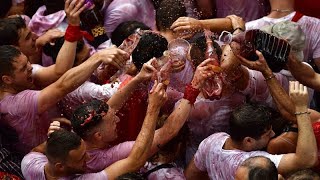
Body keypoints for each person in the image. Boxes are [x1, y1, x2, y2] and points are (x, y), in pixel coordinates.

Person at [21, 79, 168, 180]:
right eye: (81, 158)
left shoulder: (29, 163)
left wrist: (53, 140)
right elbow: (135, 161)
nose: (88, 158)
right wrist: (154, 108)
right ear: (60, 167)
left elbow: (104, 114)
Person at [0, 44, 128, 154]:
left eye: (27, 62)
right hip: (54, 159)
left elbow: (58, 71)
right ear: (7, 79)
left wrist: (73, 25)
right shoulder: (14, 105)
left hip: (61, 138)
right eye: (23, 68)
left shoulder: (22, 79)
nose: (30, 67)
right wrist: (98, 57)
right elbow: (62, 86)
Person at [185, 81, 318, 179]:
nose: (272, 134)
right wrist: (301, 108)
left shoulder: (212, 140)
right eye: (267, 134)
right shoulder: (252, 164)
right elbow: (306, 159)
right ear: (248, 140)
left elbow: (190, 175)